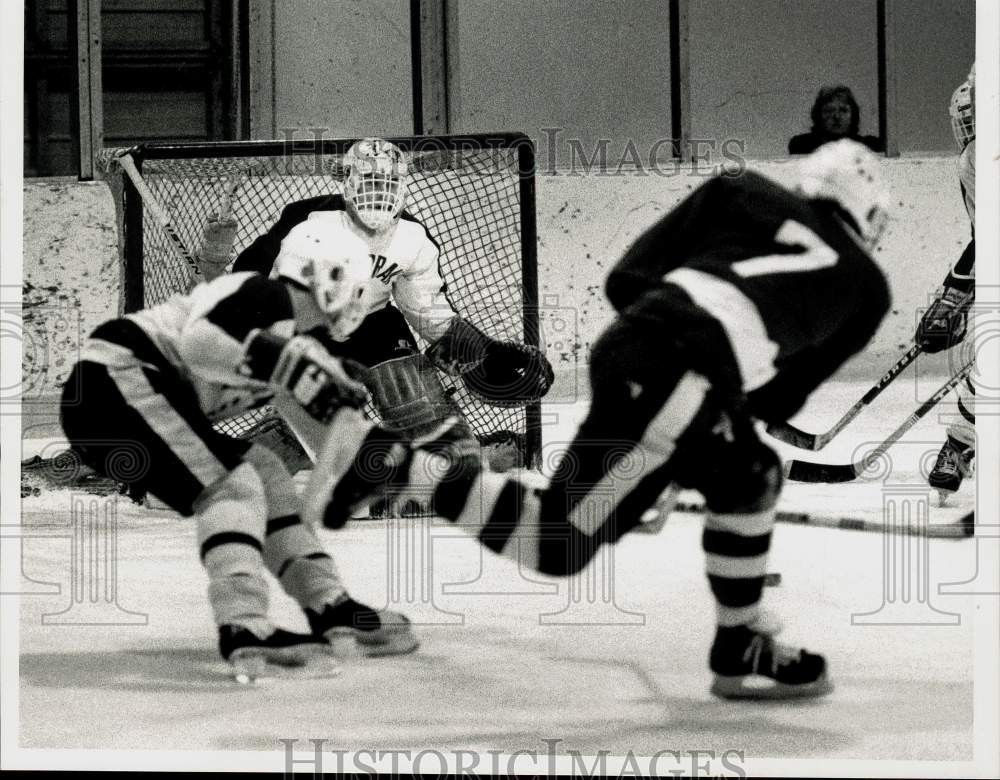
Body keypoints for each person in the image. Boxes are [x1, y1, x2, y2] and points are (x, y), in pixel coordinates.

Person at [311, 139, 893, 700]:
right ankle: (400, 463)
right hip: (681, 377)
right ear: (867, 211)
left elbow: (628, 278)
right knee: (562, 539)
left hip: (635, 344)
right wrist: (683, 426)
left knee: (745, 472)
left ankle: (740, 642)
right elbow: (778, 401)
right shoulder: (867, 288)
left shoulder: (744, 189)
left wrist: (681, 432)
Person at [59, 221, 419, 679]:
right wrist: (298, 372)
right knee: (233, 485)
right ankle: (245, 628)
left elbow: (323, 431)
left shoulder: (292, 340)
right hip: (117, 380)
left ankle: (329, 604)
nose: (360, 298)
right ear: (330, 275)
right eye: (357, 283)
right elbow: (201, 344)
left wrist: (366, 464)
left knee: (265, 471)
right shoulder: (263, 297)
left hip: (115, 396)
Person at [226, 138, 553, 512]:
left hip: (377, 327)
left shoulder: (412, 237)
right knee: (281, 454)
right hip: (312, 333)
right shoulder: (305, 220)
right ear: (347, 181)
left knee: (438, 442)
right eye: (368, 181)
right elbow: (253, 281)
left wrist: (481, 352)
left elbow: (427, 311)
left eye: (387, 182)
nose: (378, 191)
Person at [915, 63, 976, 501]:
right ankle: (958, 446)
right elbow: (988, 238)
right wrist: (955, 292)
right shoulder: (974, 161)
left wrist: (956, 293)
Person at [789, 86, 882, 155]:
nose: (836, 116)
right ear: (818, 116)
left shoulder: (870, 146)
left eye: (843, 110)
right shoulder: (802, 145)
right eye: (829, 111)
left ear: (853, 115)